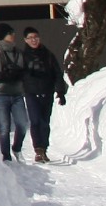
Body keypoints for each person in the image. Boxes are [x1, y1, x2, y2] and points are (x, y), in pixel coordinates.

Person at [17, 27, 69, 163]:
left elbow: (57, 73)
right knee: (35, 121)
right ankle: (38, 150)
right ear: (25, 40)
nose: (33, 40)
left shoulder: (48, 55)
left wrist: (61, 91)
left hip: (47, 92)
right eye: (30, 38)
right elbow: (17, 75)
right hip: (31, 92)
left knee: (45, 122)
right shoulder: (22, 56)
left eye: (35, 37)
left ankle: (44, 149)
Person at [0, 23, 29, 162]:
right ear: (3, 35)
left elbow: (26, 71)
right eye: (10, 33)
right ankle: (6, 156)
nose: (14, 35)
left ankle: (17, 148)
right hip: (1, 94)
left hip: (17, 94)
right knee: (4, 127)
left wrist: (17, 73)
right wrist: (4, 75)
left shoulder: (19, 53)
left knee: (22, 124)